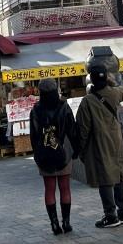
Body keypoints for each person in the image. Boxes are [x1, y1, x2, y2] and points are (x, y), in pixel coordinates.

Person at [76, 61, 123, 229]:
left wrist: (80, 149)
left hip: (99, 142)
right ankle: (122, 212)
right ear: (107, 77)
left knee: (105, 178)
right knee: (119, 174)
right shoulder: (115, 93)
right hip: (117, 139)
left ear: (91, 80)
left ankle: (111, 215)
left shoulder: (88, 101)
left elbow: (83, 128)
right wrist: (110, 82)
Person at [29, 79, 77, 235]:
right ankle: (67, 223)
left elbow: (34, 135)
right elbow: (72, 130)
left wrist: (37, 152)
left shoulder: (36, 110)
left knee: (49, 189)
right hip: (63, 153)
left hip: (45, 155)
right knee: (65, 188)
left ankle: (54, 224)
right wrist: (76, 149)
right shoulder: (64, 106)